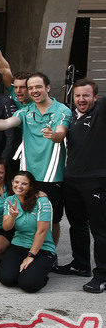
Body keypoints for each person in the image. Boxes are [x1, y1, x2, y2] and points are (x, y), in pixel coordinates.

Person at [0, 72, 70, 247]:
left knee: (52, 219)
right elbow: (7, 123)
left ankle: (49, 253)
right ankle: (24, 248)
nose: (34, 91)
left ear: (48, 88)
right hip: (28, 176)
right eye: (31, 88)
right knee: (24, 213)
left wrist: (54, 135)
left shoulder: (62, 110)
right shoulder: (26, 110)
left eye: (38, 87)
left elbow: (61, 134)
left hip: (51, 176)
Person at [59, 79, 106, 292]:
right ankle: (80, 265)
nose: (81, 99)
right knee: (77, 225)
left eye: (86, 95)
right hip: (72, 180)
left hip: (96, 182)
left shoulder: (101, 112)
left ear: (95, 97)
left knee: (100, 231)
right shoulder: (72, 117)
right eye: (78, 96)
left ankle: (102, 275)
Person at [0, 171, 56, 293]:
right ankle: (28, 271)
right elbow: (6, 227)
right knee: (6, 279)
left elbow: (42, 231)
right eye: (16, 182)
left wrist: (31, 256)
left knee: (28, 285)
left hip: (42, 249)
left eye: (24, 184)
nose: (19, 186)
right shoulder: (10, 200)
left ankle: (42, 273)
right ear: (12, 182)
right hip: (18, 245)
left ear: (31, 186)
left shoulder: (42, 201)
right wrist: (12, 217)